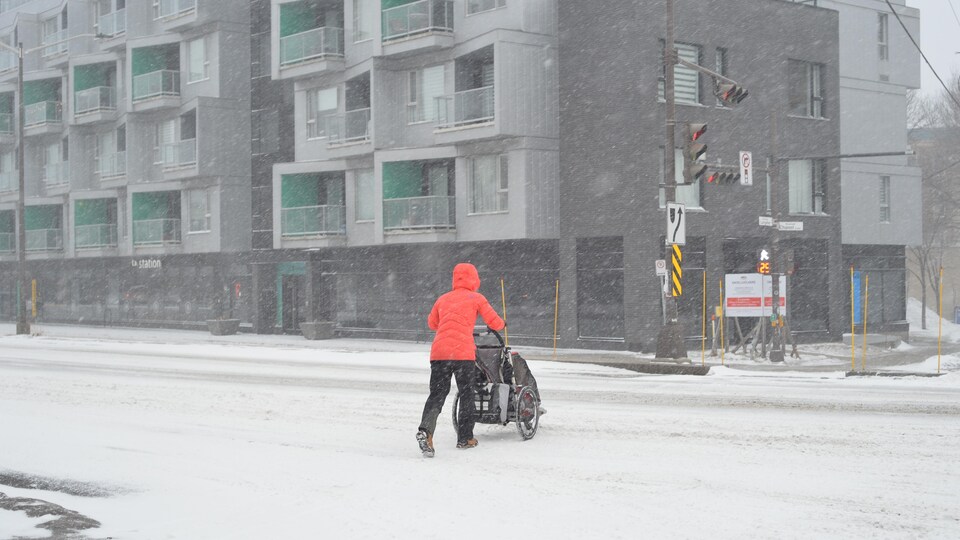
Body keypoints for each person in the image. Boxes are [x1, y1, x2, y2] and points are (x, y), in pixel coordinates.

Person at [416, 263, 505, 458]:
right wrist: (502, 323)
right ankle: (465, 438)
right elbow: (494, 322)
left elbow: (432, 323)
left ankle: (426, 431)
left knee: (437, 395)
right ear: (474, 279)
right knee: (467, 394)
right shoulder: (476, 298)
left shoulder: (443, 298)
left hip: (439, 353)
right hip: (462, 354)